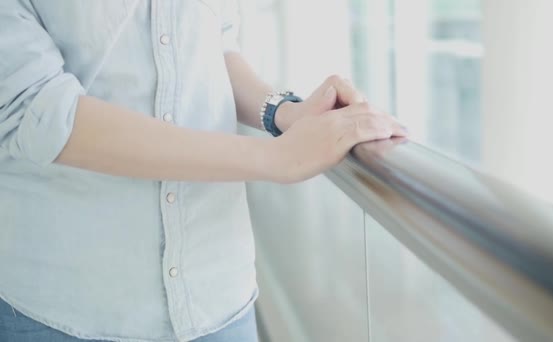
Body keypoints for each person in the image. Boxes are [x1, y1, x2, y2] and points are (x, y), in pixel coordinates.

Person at [0, 1, 406, 341]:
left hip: (220, 299)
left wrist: (284, 112)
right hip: (67, 309)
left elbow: (215, 43)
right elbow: (31, 108)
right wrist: (276, 159)